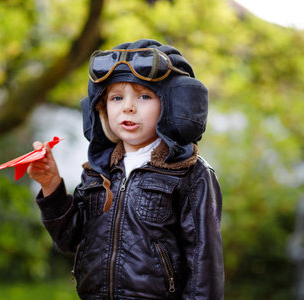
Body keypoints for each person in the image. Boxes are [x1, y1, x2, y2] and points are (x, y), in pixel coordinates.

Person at [28, 39, 224, 300]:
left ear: (171, 106)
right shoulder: (98, 171)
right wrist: (51, 185)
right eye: (116, 97)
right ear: (101, 107)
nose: (128, 107)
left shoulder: (190, 173)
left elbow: (204, 266)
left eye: (144, 96)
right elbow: (69, 239)